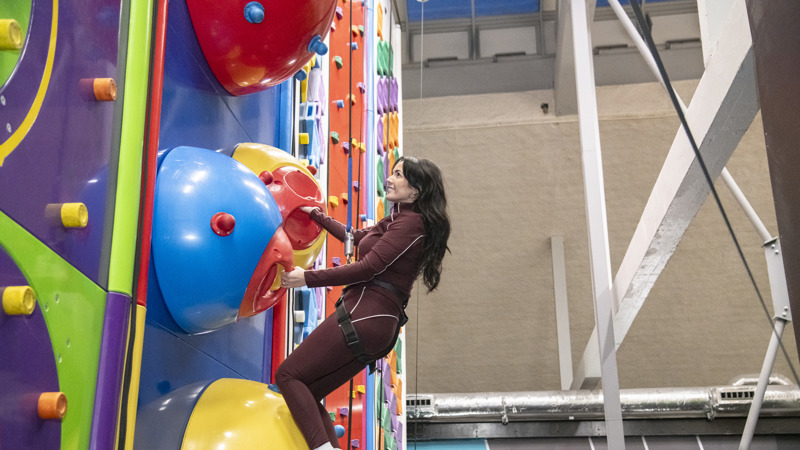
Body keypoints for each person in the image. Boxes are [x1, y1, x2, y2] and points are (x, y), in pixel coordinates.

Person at [276, 156, 450, 450]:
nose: (390, 179)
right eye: (392, 172)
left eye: (398, 175)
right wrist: (316, 215)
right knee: (307, 390)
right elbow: (355, 237)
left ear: (416, 191)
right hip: (376, 324)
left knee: (288, 375)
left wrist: (306, 278)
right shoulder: (401, 219)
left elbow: (368, 267)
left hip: (365, 315)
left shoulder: (411, 223)